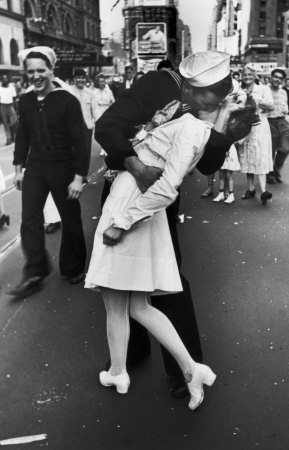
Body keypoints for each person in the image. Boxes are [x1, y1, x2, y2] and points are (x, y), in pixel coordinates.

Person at [85, 54, 242, 410]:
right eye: (209, 91)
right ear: (186, 84)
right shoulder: (154, 84)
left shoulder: (215, 104)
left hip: (154, 199)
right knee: (126, 286)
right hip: (129, 184)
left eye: (222, 90)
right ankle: (128, 357)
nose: (214, 98)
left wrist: (227, 133)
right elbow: (107, 126)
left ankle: (178, 368)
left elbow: (206, 164)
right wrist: (133, 162)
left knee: (163, 279)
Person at [8, 46, 90, 299]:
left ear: (51, 70)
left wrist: (78, 177)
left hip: (63, 166)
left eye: (41, 70)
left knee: (70, 218)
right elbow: (22, 136)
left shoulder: (67, 100)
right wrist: (18, 168)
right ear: (25, 73)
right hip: (36, 166)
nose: (36, 75)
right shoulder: (26, 100)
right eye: (31, 71)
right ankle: (35, 270)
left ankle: (73, 267)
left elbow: (82, 140)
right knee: (30, 219)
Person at [237, 65, 274, 205]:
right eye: (244, 75)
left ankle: (264, 191)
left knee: (261, 155)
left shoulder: (263, 89)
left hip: (260, 125)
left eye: (249, 75)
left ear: (255, 76)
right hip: (245, 126)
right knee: (248, 155)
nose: (247, 77)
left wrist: (256, 100)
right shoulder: (239, 91)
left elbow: (271, 106)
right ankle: (251, 189)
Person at [266, 68, 289, 184]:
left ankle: (276, 169)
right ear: (271, 77)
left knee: (286, 146)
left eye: (280, 78)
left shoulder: (283, 92)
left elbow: (286, 108)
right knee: (270, 150)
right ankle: (269, 173)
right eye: (275, 77)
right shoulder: (265, 90)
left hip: (282, 121)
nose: (277, 79)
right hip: (269, 121)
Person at [71, 69, 95, 155]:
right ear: (74, 79)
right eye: (78, 77)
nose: (80, 80)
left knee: (86, 152)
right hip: (72, 127)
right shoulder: (69, 92)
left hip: (86, 128)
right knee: (73, 152)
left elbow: (95, 111)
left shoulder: (90, 93)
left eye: (83, 78)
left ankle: (84, 168)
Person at [0, 75, 17, 145]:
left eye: (6, 78)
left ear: (8, 79)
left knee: (14, 122)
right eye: (3, 79)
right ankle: (8, 139)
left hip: (10, 105)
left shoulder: (11, 87)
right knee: (5, 123)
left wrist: (16, 108)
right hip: (2, 106)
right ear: (1, 80)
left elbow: (14, 98)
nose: (5, 80)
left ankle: (12, 136)